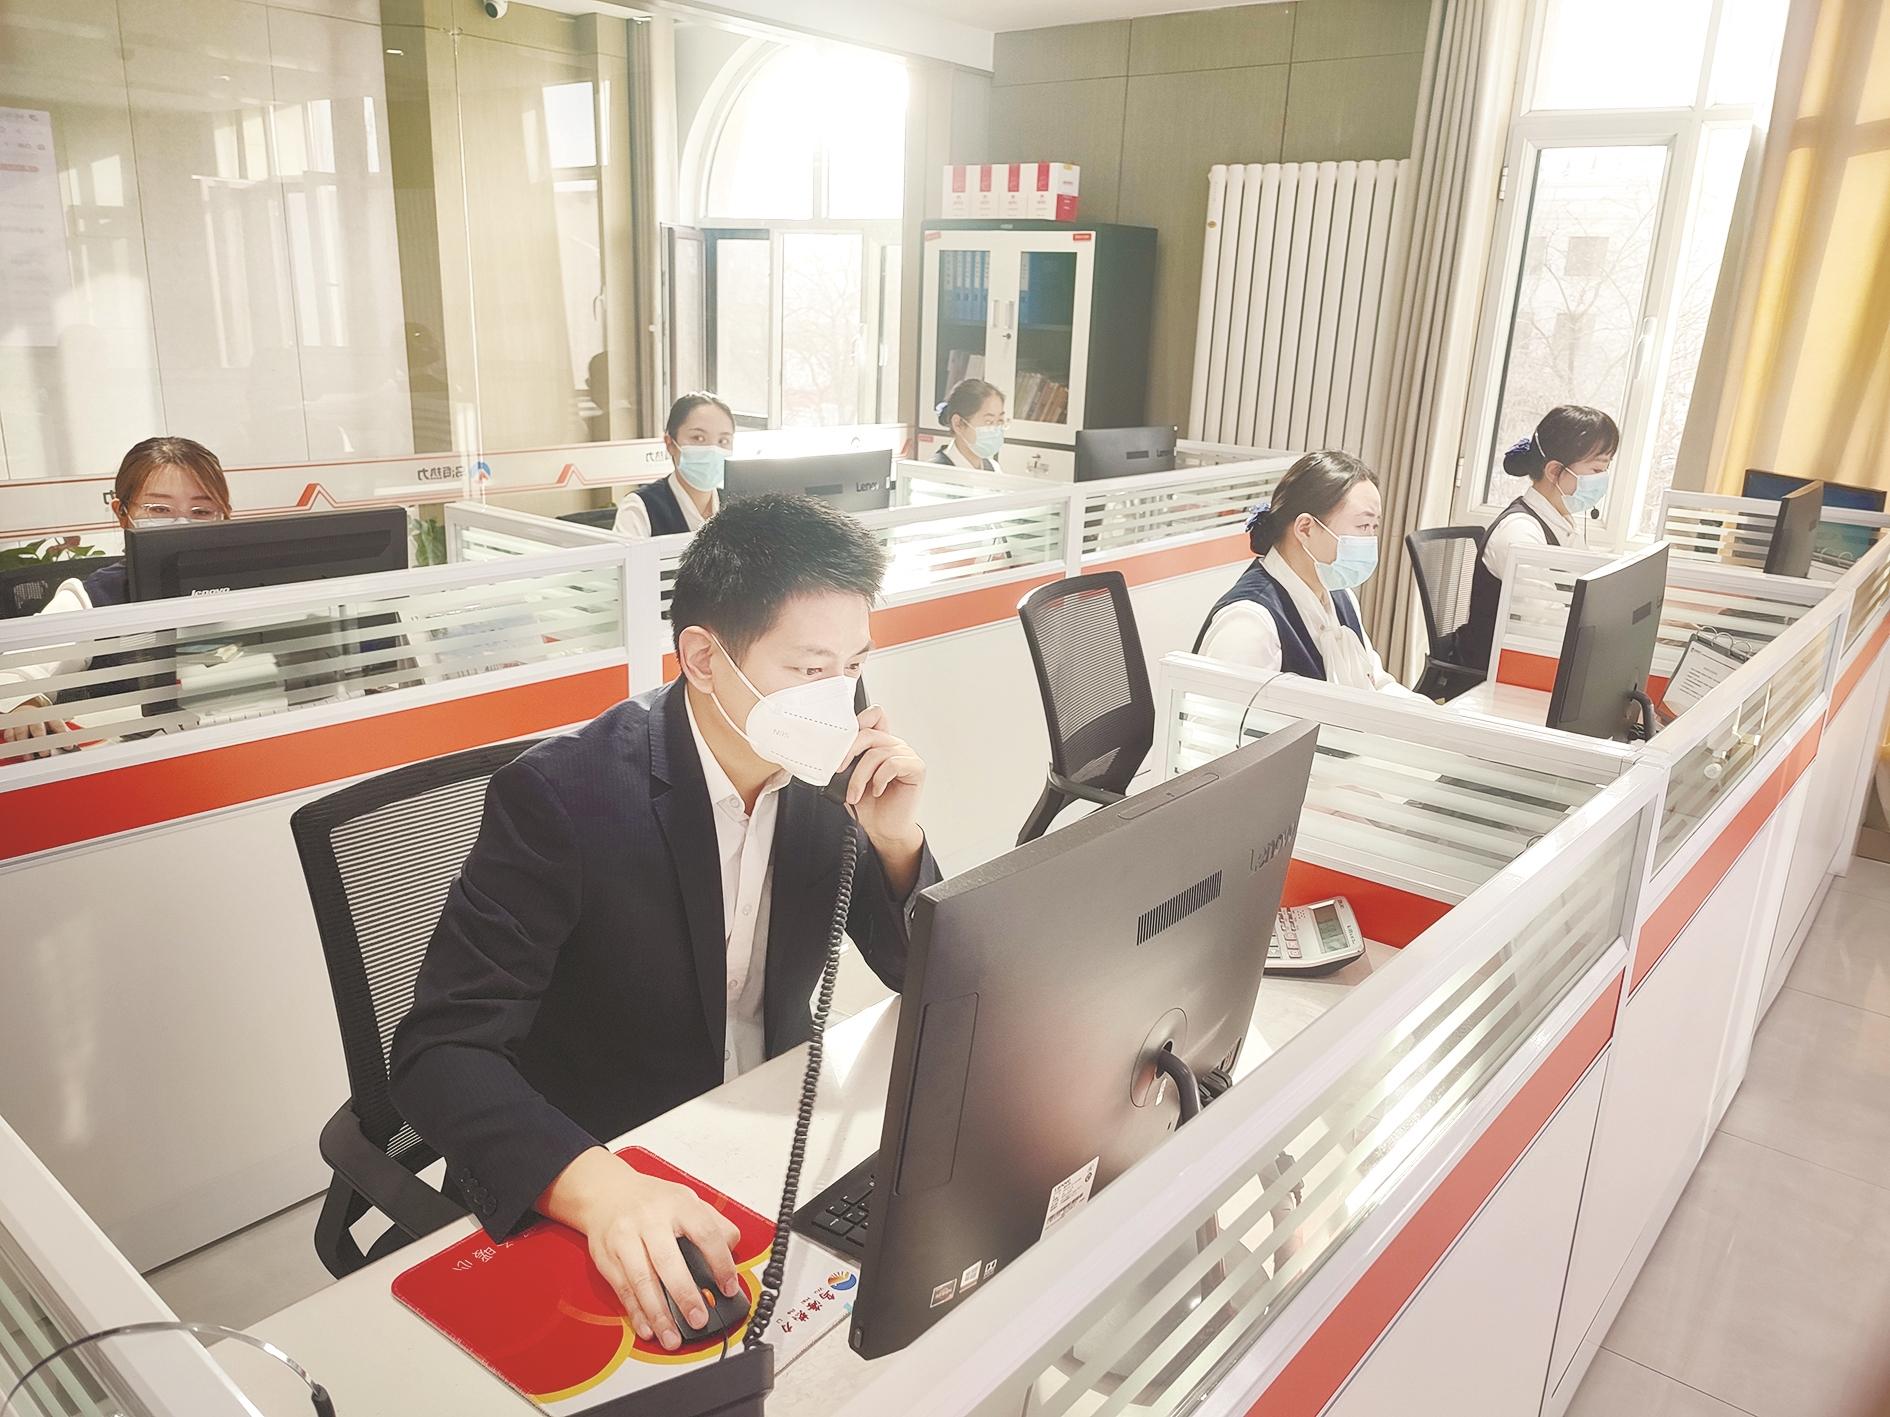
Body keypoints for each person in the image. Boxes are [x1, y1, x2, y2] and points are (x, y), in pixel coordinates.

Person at [389, 492, 937, 1354]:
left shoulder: (830, 778)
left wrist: (897, 841)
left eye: (854, 666)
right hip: (616, 1159)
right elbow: (439, 1051)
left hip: (762, 1136)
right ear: (705, 659)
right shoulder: (564, 796)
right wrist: (600, 1187)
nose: (838, 700)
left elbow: (918, 971)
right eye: (809, 670)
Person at [0, 436, 232, 756]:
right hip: (134, 758)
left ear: (225, 517)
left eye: (202, 511)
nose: (181, 524)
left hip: (237, 742)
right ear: (122, 514)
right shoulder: (92, 597)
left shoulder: (250, 588)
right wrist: (26, 705)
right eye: (159, 509)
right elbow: (16, 676)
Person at [1194, 450, 1418, 697]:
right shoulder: (1251, 623)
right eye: (1362, 525)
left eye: (1374, 526)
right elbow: (1218, 718)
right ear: (1306, 528)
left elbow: (1377, 683)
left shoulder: (1340, 596)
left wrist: (1433, 714)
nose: (1370, 539)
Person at [1459, 405, 1619, 670]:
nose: (1603, 479)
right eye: (1597, 470)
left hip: (1535, 661)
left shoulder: (1560, 520)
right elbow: (1545, 625)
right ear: (1554, 471)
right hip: (1496, 672)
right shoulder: (1520, 533)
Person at [613, 393, 736, 538]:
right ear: (670, 443)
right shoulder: (640, 508)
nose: (712, 450)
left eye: (723, 441)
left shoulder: (736, 506)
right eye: (698, 438)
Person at [931, 378, 1006, 471]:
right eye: (988, 422)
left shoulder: (994, 468)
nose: (996, 430)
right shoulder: (935, 473)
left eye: (1000, 421)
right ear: (958, 424)